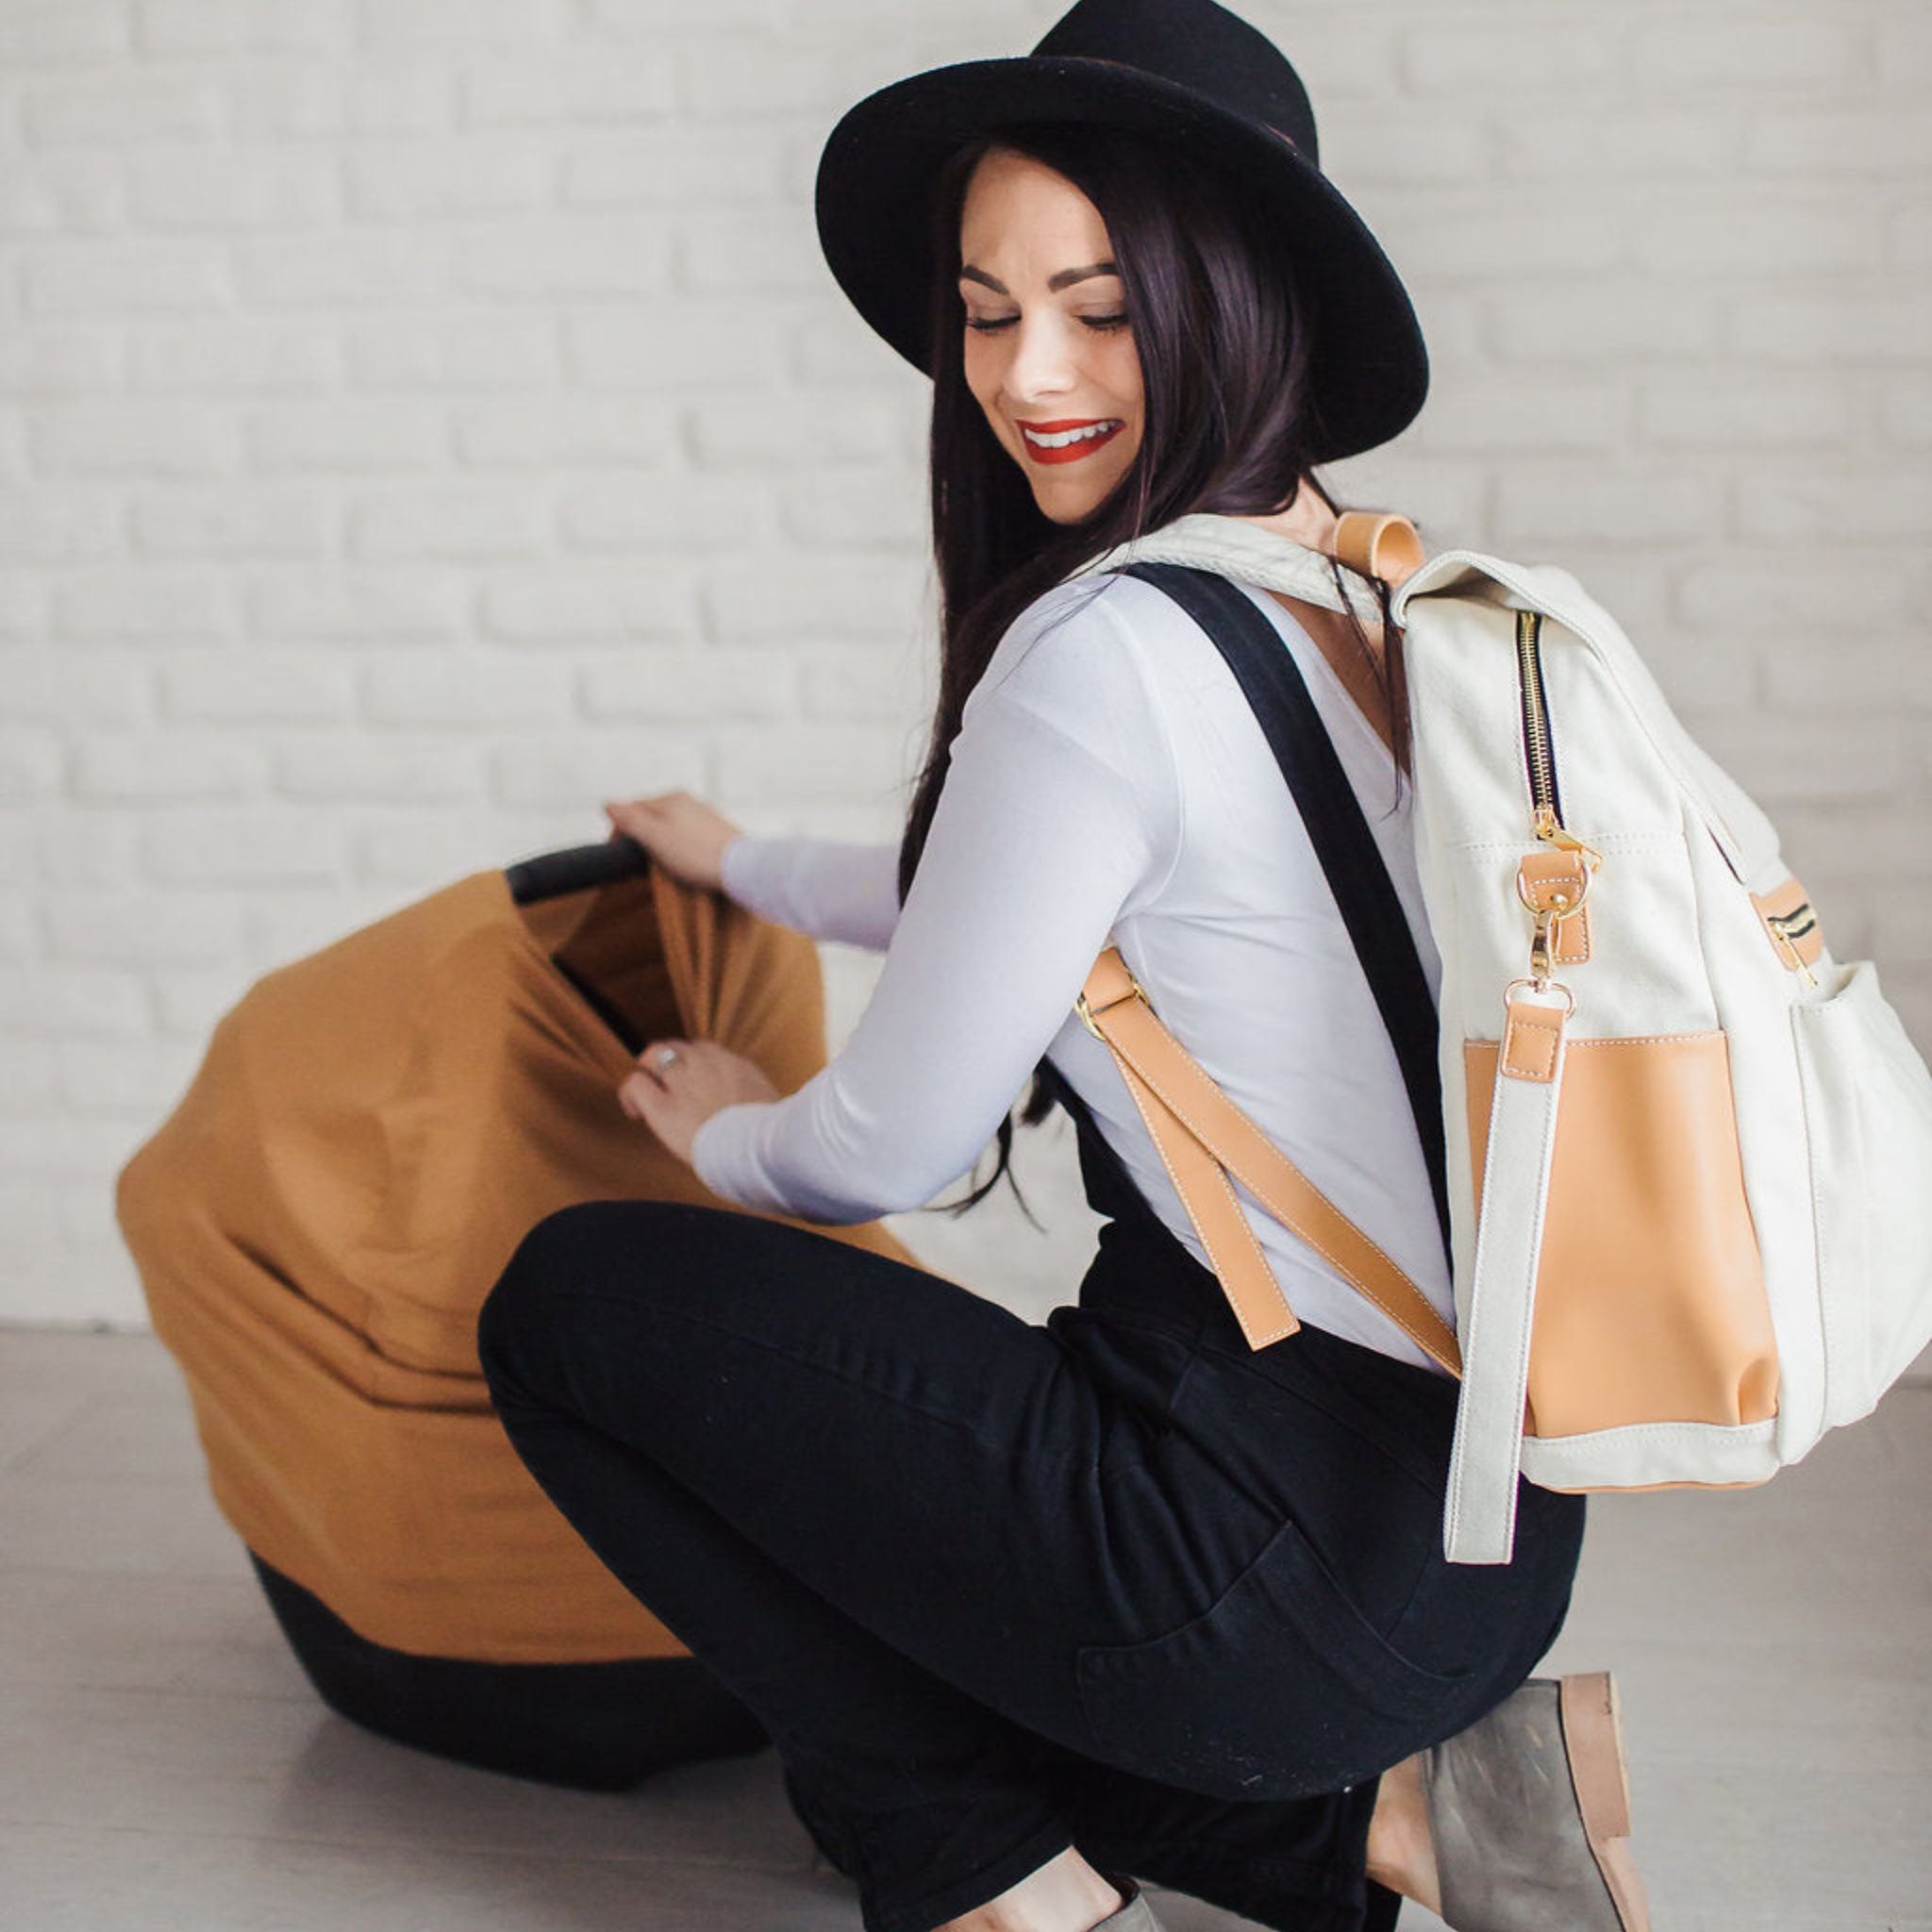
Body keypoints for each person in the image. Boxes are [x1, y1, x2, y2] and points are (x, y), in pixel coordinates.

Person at [475, 3, 1649, 1929]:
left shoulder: (1104, 649)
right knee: (947, 1581)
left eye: (1101, 311)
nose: (1030, 376)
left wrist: (729, 1132)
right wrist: (745, 864)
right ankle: (1404, 1813)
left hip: (1253, 1553)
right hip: (1483, 1537)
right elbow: (1041, 899)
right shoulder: (1373, 590)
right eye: (986, 311)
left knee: (569, 1305)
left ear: (1234, 300)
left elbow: (888, 1145)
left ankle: (991, 1881)